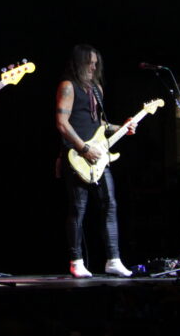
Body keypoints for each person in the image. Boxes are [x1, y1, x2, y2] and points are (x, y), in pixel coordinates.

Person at [55, 44, 134, 278]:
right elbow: (62, 123)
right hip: (76, 155)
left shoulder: (97, 89)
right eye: (89, 63)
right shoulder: (68, 86)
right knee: (78, 208)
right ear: (79, 63)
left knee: (110, 204)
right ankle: (76, 260)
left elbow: (99, 124)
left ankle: (113, 260)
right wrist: (83, 148)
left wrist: (122, 128)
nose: (93, 67)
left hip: (98, 156)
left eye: (95, 63)